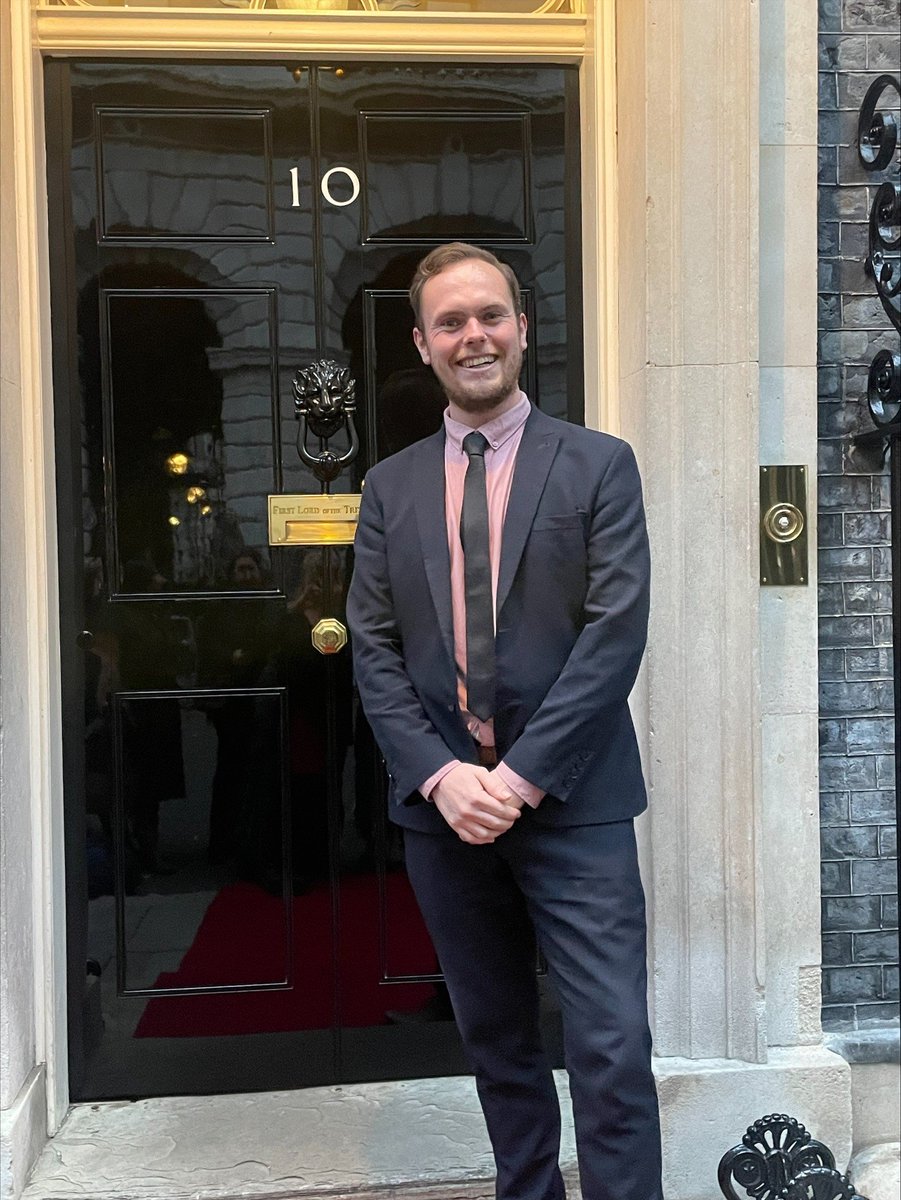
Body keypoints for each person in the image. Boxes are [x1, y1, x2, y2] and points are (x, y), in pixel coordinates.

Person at [346, 243, 662, 1200]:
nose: (472, 335)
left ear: (522, 328)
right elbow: (373, 647)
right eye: (450, 322)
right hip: (446, 815)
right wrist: (445, 778)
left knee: (610, 1046)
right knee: (497, 1044)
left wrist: (517, 778)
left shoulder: (599, 466)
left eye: (489, 315)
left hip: (574, 803)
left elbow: (615, 635)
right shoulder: (387, 489)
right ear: (422, 343)